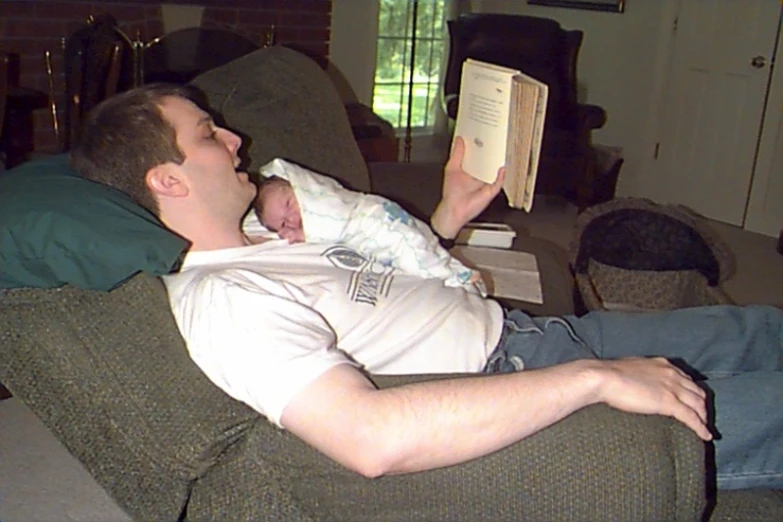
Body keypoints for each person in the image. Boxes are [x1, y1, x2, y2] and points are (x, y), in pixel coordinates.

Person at [71, 83, 782, 490]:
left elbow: (377, 297)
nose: (233, 140)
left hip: (530, 336)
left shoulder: (261, 242)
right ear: (167, 180)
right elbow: (367, 437)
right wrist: (592, 381)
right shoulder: (221, 302)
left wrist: (444, 222)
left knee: (757, 329)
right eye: (207, 135)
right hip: (517, 389)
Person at [250, 157, 483, 292]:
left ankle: (453, 276)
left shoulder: (340, 207)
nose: (291, 219)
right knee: (414, 250)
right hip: (386, 252)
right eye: (282, 224)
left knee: (413, 247)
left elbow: (333, 212)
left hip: (375, 223)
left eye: (291, 204)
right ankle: (451, 275)